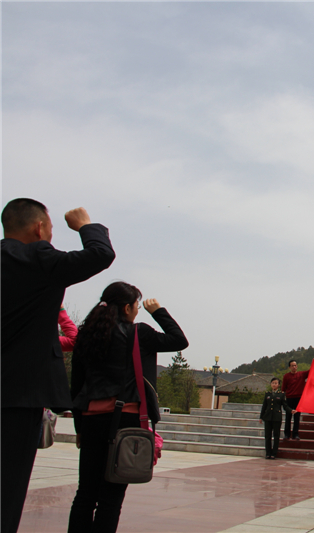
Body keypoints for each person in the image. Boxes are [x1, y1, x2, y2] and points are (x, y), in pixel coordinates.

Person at [1, 199, 115, 533]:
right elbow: (100, 254)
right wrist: (85, 225)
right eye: (49, 230)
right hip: (19, 394)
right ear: (39, 228)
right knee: (7, 485)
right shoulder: (38, 257)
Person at [68, 282, 188, 533]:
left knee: (85, 493)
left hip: (91, 420)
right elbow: (179, 340)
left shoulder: (87, 335)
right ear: (126, 308)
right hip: (125, 421)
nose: (137, 310)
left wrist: (79, 427)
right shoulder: (138, 333)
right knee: (111, 498)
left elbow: (77, 386)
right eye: (136, 306)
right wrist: (158, 311)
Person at [258, 378, 295, 459]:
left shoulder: (281, 394)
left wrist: (291, 410)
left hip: (276, 417)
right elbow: (264, 406)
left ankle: (274, 453)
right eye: (273, 383)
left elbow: (285, 406)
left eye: (276, 383)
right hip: (268, 417)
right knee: (267, 436)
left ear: (278, 385)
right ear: (271, 384)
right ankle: (268, 453)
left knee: (276, 435)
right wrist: (261, 417)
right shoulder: (267, 394)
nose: (274, 385)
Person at [281, 360, 309, 440]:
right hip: (289, 398)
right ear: (289, 367)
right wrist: (283, 399)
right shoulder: (286, 376)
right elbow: (283, 388)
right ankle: (287, 434)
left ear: (297, 366)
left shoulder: (301, 374)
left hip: (298, 398)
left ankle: (295, 434)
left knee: (297, 417)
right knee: (288, 417)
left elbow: (310, 371)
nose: (294, 367)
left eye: (295, 365)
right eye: (292, 366)